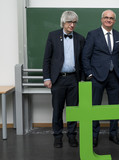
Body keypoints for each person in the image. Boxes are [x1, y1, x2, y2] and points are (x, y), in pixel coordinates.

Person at [82, 9, 119, 147]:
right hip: (97, 77)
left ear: (114, 21)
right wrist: (89, 74)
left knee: (114, 107)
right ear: (102, 19)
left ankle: (113, 134)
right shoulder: (92, 34)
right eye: (106, 17)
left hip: (115, 77)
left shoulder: (118, 34)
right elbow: (85, 56)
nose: (109, 20)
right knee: (95, 107)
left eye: (111, 18)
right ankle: (94, 135)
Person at [42, 11, 85, 148]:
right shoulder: (53, 36)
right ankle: (58, 136)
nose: (72, 25)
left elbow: (82, 61)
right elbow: (46, 59)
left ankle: (72, 136)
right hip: (58, 80)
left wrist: (82, 80)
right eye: (69, 22)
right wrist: (47, 78)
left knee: (73, 109)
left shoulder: (80, 38)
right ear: (63, 23)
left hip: (74, 79)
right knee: (58, 109)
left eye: (74, 22)